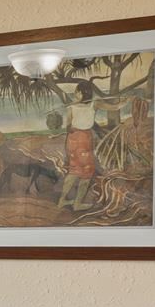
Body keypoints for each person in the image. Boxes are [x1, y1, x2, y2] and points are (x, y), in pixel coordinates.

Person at [57, 77, 101, 211]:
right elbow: (114, 106)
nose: (75, 94)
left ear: (83, 93)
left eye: (77, 92)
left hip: (74, 139)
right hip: (82, 139)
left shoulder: (75, 107)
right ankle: (77, 204)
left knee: (74, 170)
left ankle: (62, 201)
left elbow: (68, 127)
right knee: (86, 172)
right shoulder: (91, 105)